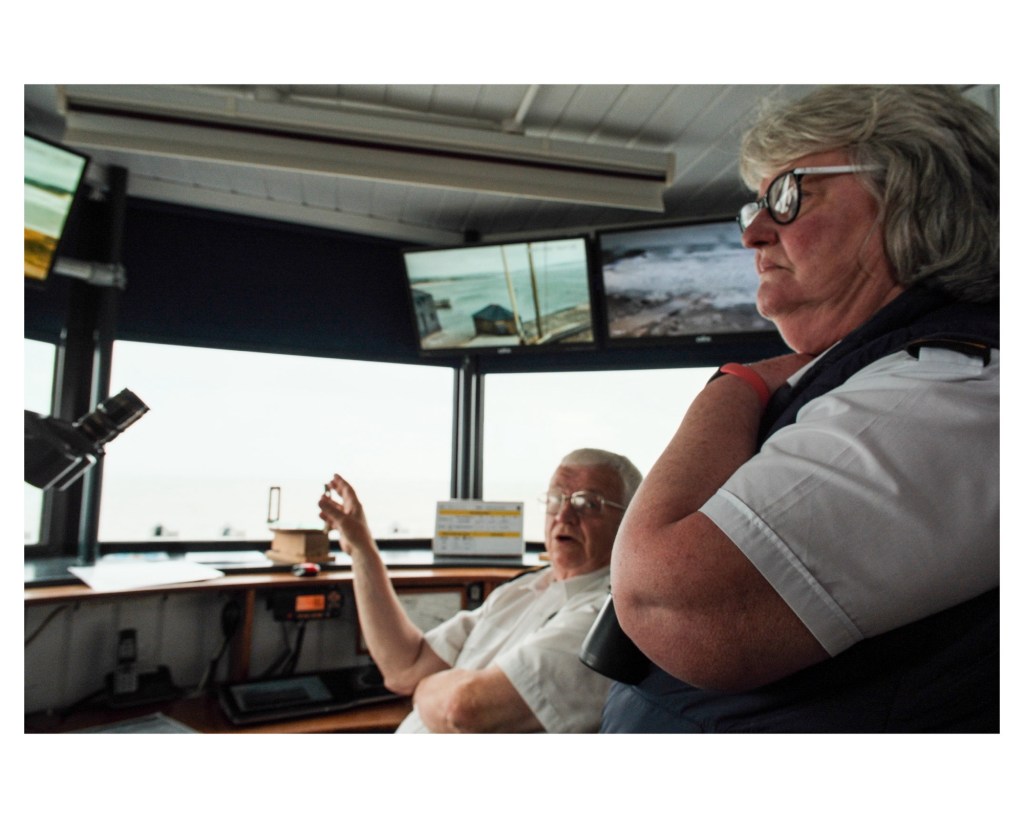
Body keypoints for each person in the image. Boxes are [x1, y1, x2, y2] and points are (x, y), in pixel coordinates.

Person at [598, 85, 999, 732]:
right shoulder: (882, 373)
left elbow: (670, 602)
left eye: (788, 195)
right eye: (754, 206)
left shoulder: (955, 386)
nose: (752, 233)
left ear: (914, 197)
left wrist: (735, 384)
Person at [318, 447, 642, 733]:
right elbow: (405, 668)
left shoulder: (606, 615)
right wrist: (361, 549)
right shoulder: (521, 590)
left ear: (628, 521)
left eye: (588, 503)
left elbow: (463, 709)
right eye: (556, 498)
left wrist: (424, 690)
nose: (564, 515)